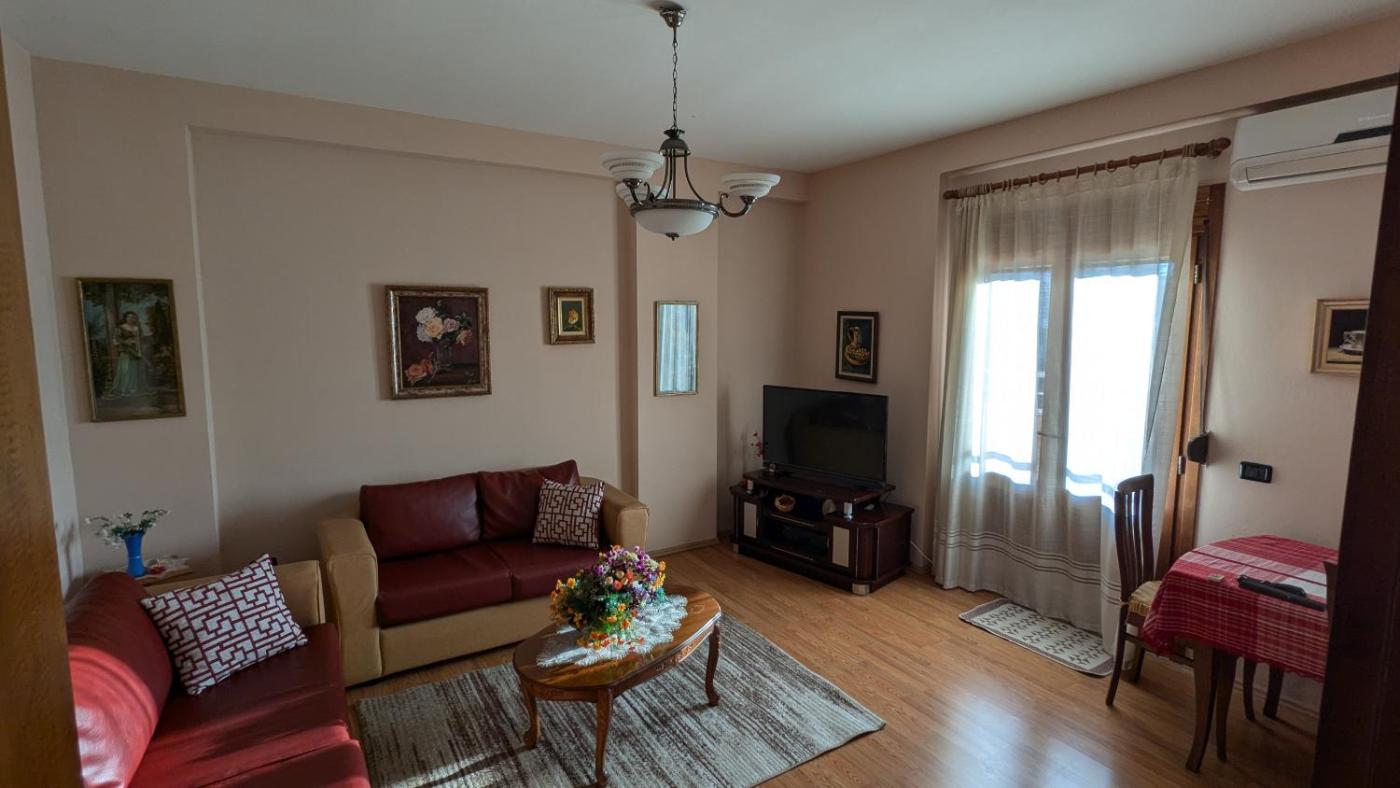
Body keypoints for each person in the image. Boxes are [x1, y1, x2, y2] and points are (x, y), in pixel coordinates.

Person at [109, 311, 146, 397]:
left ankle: (132, 389)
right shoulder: (120, 328)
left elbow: (138, 340)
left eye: (132, 317)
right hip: (125, 351)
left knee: (133, 371)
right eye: (129, 317)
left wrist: (139, 351)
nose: (130, 319)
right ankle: (123, 389)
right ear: (125, 318)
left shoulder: (136, 328)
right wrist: (125, 342)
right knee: (125, 370)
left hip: (134, 351)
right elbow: (115, 340)